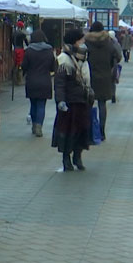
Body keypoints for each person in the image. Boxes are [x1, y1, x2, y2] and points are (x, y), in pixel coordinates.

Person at [52, 28, 94, 171]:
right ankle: (66, 158)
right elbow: (59, 83)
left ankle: (78, 156)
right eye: (81, 40)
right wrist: (60, 101)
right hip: (70, 103)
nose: (83, 43)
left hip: (83, 101)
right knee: (68, 132)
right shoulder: (63, 59)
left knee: (82, 131)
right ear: (75, 41)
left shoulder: (84, 58)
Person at [84, 21, 121, 140]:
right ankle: (102, 131)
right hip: (105, 77)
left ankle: (89, 130)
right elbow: (118, 56)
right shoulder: (109, 42)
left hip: (89, 76)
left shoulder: (86, 43)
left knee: (87, 104)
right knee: (102, 104)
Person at [21, 29, 56, 137]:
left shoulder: (29, 51)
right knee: (41, 105)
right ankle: (39, 127)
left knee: (33, 104)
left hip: (31, 81)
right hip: (45, 81)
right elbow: (53, 67)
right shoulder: (49, 50)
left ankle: (34, 125)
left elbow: (24, 66)